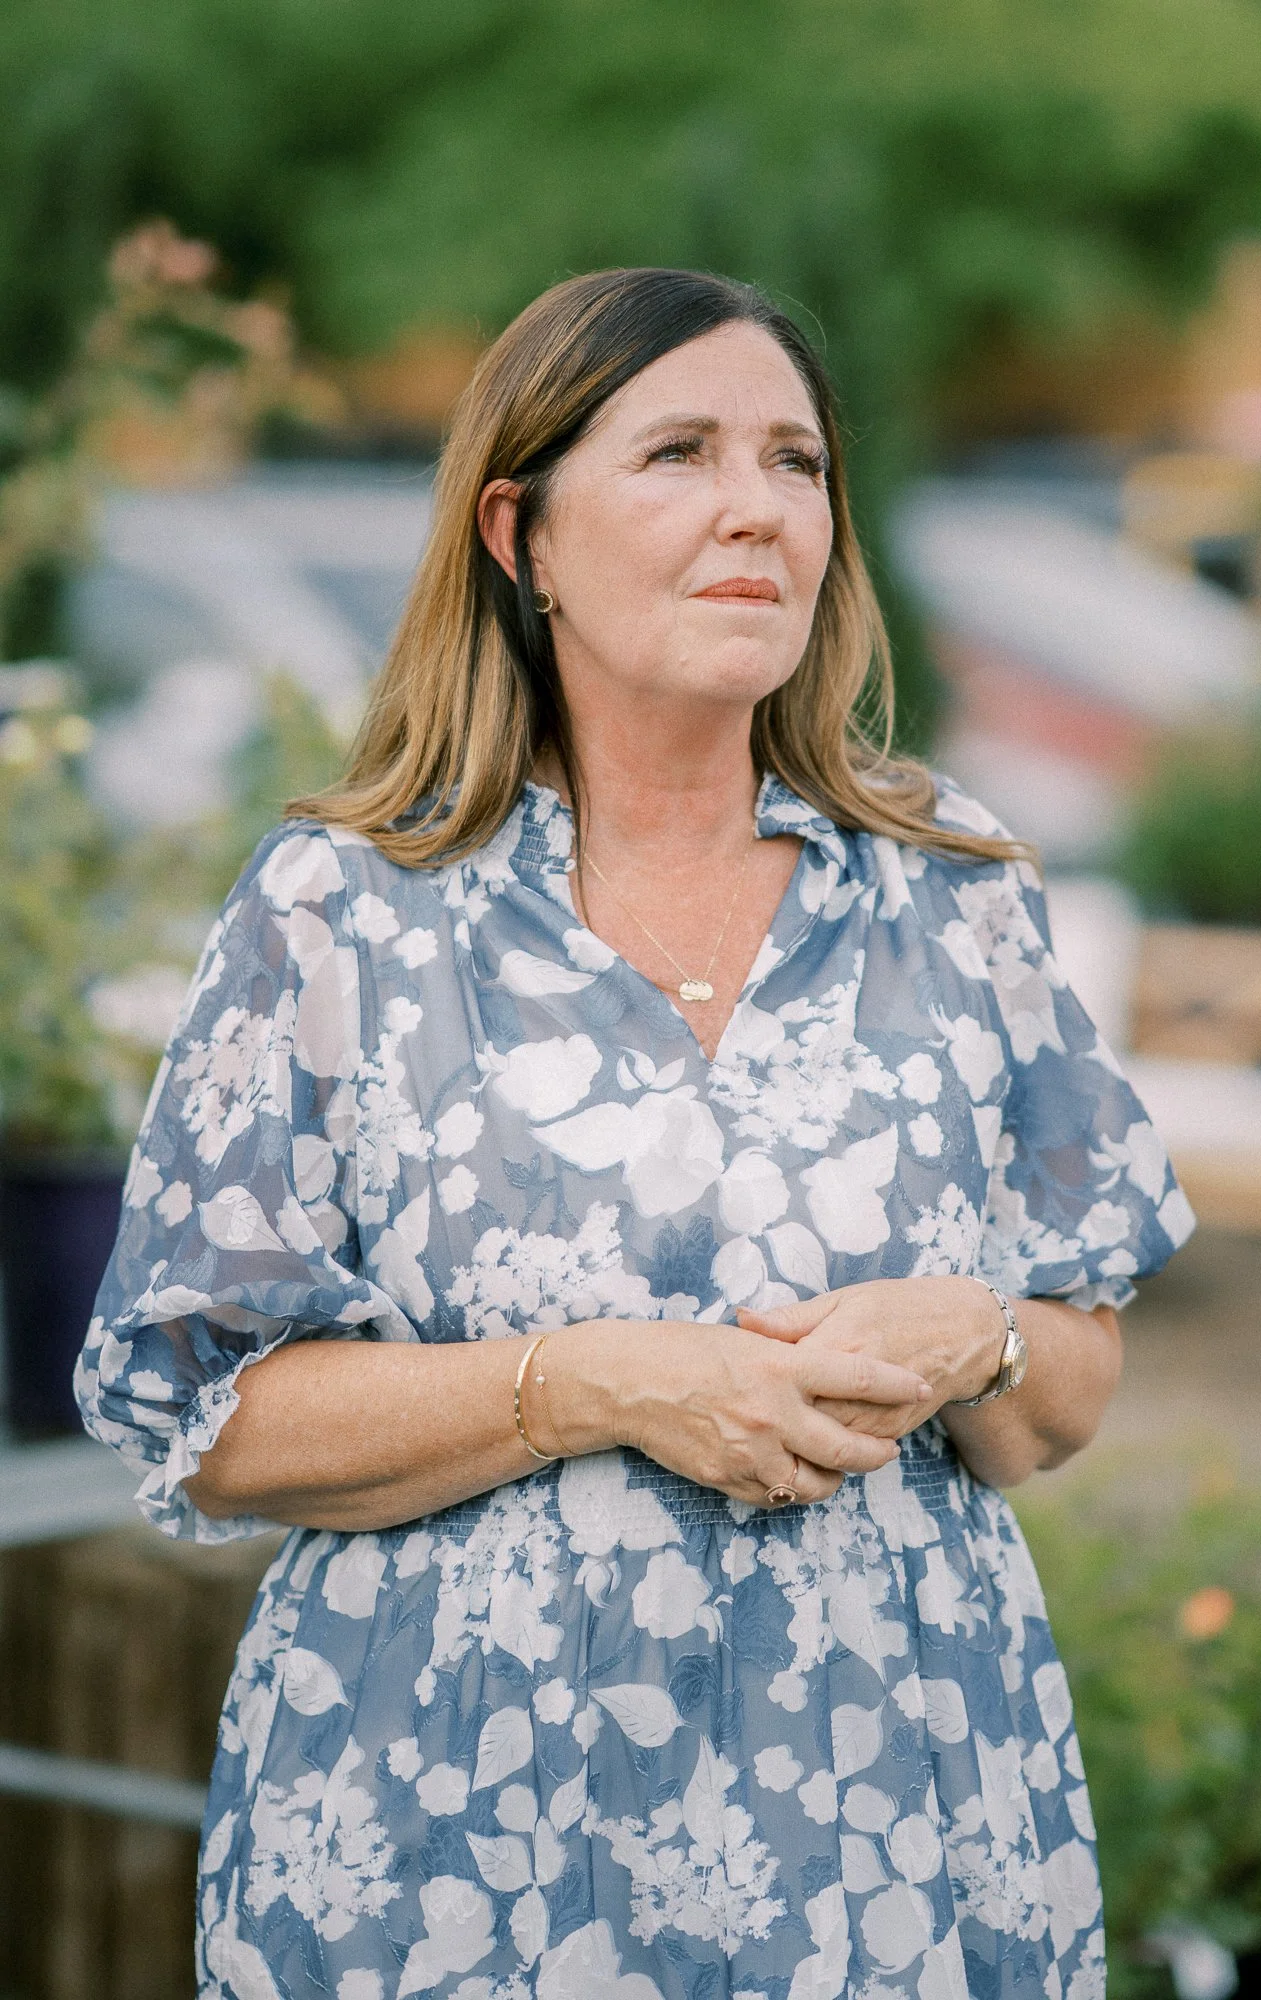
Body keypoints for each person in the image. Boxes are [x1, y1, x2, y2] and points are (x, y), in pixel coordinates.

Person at [78, 268, 1195, 2000]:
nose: (758, 508)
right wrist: (594, 1383)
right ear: (517, 534)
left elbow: (1067, 1384)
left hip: (891, 1830)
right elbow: (208, 1416)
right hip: (450, 1836)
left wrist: (974, 1335)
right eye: (679, 452)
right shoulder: (344, 908)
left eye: (795, 462)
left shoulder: (949, 887)